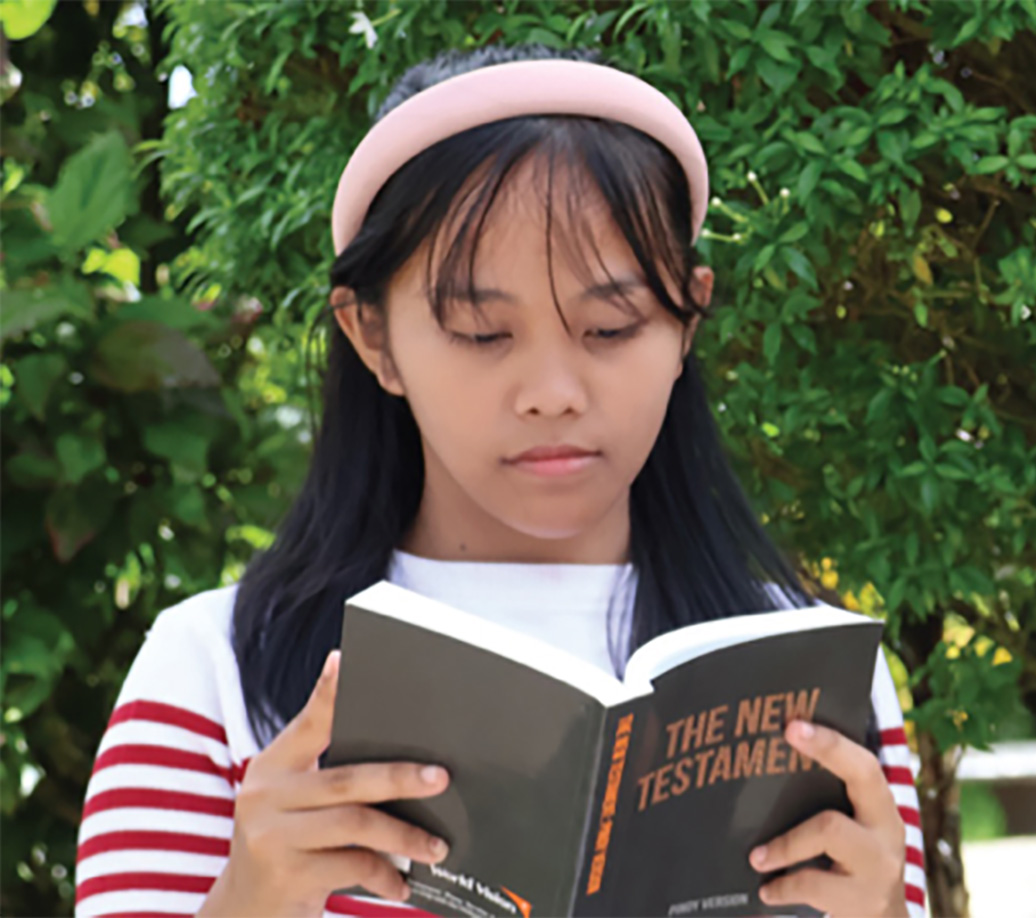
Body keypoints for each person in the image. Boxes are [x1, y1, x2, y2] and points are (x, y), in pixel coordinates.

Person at [74, 42, 927, 918]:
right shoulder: (216, 671)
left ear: (688, 317)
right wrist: (251, 898)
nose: (553, 396)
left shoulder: (809, 670)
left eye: (611, 326)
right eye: (482, 335)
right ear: (373, 337)